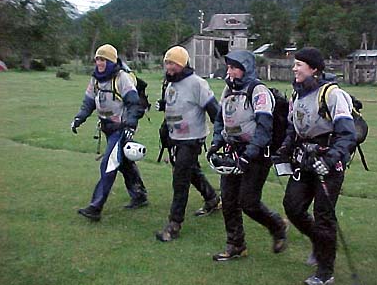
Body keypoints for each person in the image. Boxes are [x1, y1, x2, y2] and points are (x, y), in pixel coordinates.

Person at [278, 47, 356, 285]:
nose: (294, 69)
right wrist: (282, 151)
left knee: (324, 216)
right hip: (305, 161)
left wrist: (330, 160)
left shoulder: (332, 94)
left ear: (313, 69)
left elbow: (347, 134)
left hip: (328, 164)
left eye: (299, 65)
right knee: (292, 206)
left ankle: (325, 271)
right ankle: (318, 243)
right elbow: (294, 128)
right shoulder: (297, 94)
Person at [207, 50, 288, 261]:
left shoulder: (258, 91)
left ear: (245, 68)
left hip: (257, 154)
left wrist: (249, 154)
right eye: (228, 67)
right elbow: (219, 118)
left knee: (249, 202)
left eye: (234, 67)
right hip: (233, 150)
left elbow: (264, 128)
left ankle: (277, 226)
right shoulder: (228, 90)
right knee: (228, 199)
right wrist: (216, 142)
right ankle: (236, 245)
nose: (230, 71)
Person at [71, 44, 148, 221]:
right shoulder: (95, 79)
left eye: (103, 59)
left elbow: (134, 104)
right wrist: (79, 118)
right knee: (123, 163)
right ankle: (139, 195)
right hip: (106, 127)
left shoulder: (122, 78)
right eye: (97, 59)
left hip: (120, 129)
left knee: (109, 164)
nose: (99, 62)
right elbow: (88, 102)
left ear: (111, 61)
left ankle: (95, 206)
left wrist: (130, 126)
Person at [155, 46, 221, 242]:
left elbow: (214, 110)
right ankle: (212, 198)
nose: (169, 67)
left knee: (180, 179)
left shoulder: (197, 84)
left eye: (173, 63)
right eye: (167, 63)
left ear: (182, 64)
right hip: (176, 138)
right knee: (190, 171)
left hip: (192, 139)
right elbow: (174, 107)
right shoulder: (170, 84)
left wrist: (219, 138)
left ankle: (174, 224)